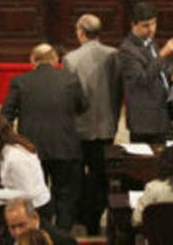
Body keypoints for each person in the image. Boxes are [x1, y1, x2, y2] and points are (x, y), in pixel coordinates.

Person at [2, 43, 87, 231]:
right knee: (65, 194)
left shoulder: (20, 81)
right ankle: (62, 233)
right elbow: (82, 106)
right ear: (55, 59)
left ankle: (38, 232)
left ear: (32, 60)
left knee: (33, 194)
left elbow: (6, 115)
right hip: (65, 146)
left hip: (30, 149)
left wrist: (10, 143)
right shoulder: (70, 79)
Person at [61, 13, 121, 234]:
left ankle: (80, 218)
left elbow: (70, 98)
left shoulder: (70, 59)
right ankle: (94, 220)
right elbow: (117, 91)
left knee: (77, 175)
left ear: (81, 32)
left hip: (79, 127)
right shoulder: (114, 55)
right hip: (106, 125)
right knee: (100, 176)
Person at [119, 1, 173, 143]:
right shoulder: (127, 50)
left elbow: (159, 69)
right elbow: (142, 80)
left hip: (163, 114)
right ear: (133, 25)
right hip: (145, 121)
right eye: (146, 25)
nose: (151, 29)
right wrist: (163, 53)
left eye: (154, 23)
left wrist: (171, 77)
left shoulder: (150, 42)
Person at [0, 113, 52, 216]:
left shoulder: (16, 157)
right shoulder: (11, 146)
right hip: (26, 205)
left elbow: (28, 193)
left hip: (35, 208)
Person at [0, 198, 76, 245]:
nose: (17, 232)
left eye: (21, 225)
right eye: (12, 227)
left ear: (35, 217)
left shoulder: (61, 240)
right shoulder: (6, 236)